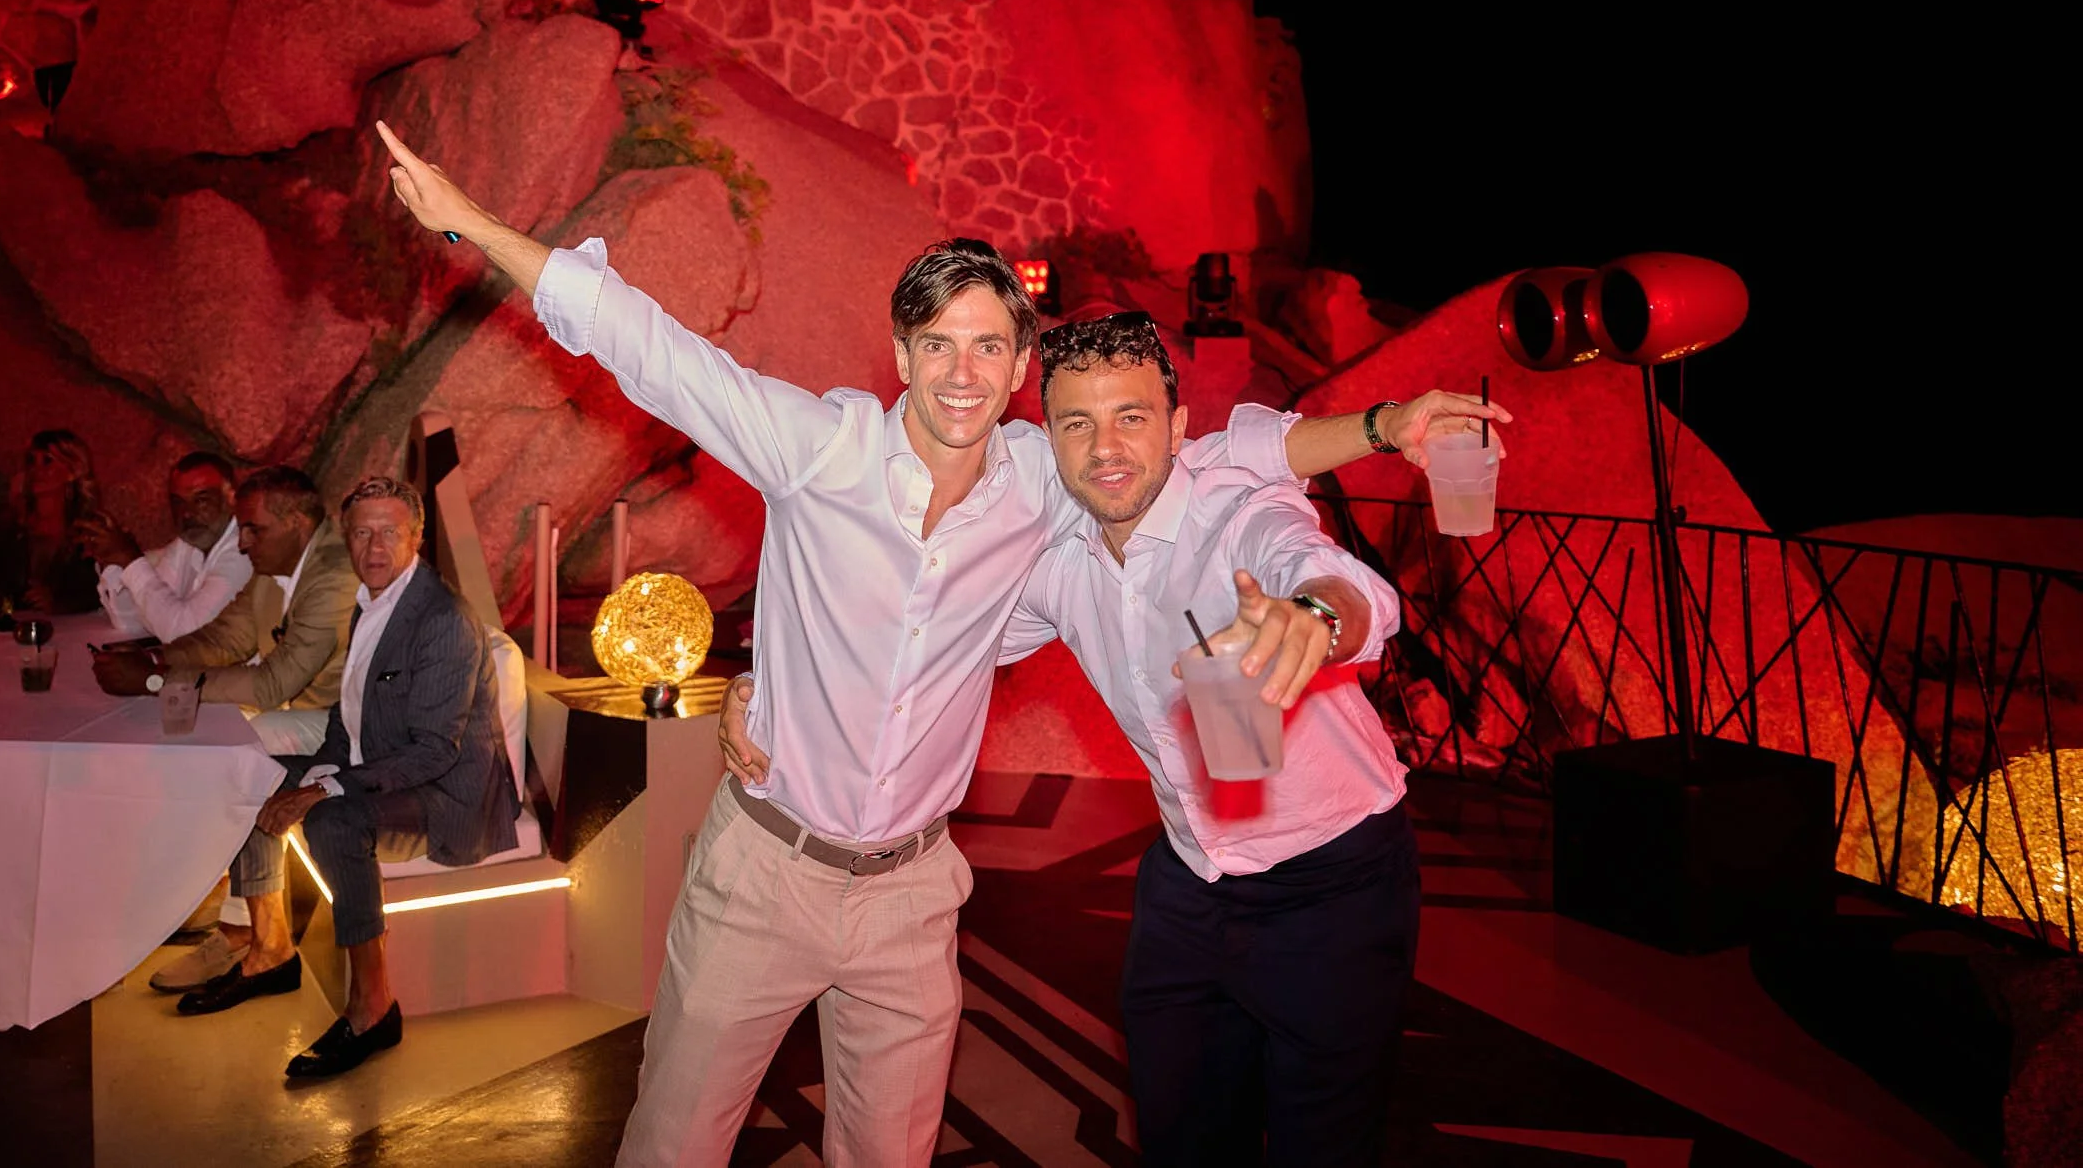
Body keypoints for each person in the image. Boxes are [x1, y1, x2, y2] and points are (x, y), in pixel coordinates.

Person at [370, 119, 1504, 1167]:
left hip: (914, 897)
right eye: (938, 341)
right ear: (902, 353)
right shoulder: (822, 448)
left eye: (989, 345)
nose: (963, 370)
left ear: (1017, 368)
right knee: (671, 1143)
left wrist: (1376, 448)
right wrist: (473, 219)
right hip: (764, 869)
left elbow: (1222, 465)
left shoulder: (1043, 483)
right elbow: (657, 353)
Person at [729, 312, 1422, 1166]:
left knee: (1327, 1147)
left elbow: (1333, 578)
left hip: (1335, 883)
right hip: (1188, 882)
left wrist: (1315, 615)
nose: (1105, 448)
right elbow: (910, 645)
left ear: (1176, 427)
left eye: (1131, 417)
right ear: (1046, 439)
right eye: (1076, 423)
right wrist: (762, 686)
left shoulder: (1235, 516)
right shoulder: (1057, 565)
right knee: (1180, 1136)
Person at [174, 475, 521, 1084]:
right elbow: (347, 715)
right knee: (253, 773)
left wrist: (327, 786)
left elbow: (436, 752)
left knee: (336, 819)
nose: (374, 546)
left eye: (390, 532)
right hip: (389, 767)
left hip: (448, 796)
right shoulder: (372, 602)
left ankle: (371, 1009)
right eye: (362, 533)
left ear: (417, 537)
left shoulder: (440, 619)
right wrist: (325, 768)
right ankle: (270, 949)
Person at [91, 465, 360, 995]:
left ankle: (250, 935)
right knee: (228, 743)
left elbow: (273, 682)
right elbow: (224, 638)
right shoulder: (274, 562)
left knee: (240, 752)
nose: (241, 543)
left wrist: (152, 679)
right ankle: (246, 931)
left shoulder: (334, 573)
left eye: (253, 529)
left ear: (299, 523)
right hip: (308, 711)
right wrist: (152, 655)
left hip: (351, 722)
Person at [77, 451, 253, 641]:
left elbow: (187, 635)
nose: (186, 514)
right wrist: (112, 560)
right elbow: (133, 622)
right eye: (178, 502)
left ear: (232, 499)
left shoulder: (244, 551)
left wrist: (130, 559)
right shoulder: (188, 544)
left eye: (201, 500)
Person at [0, 428, 103, 624]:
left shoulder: (88, 528)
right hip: (7, 633)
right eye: (31, 461)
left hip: (73, 630)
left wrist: (60, 602)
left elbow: (104, 590)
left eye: (47, 461)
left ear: (72, 471)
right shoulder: (7, 522)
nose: (35, 470)